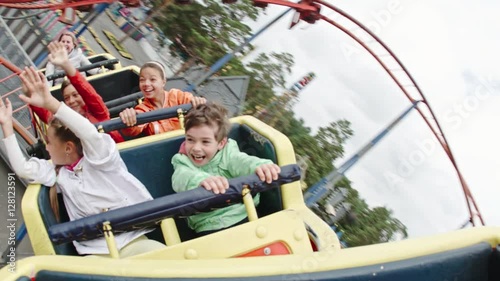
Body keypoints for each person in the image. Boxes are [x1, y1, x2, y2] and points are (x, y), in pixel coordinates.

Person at [0, 66, 164, 257]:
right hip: (96, 252)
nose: (46, 148)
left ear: (68, 148)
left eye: (49, 143)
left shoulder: (100, 158)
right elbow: (22, 168)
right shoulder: (58, 172)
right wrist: (7, 127)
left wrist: (52, 103)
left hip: (131, 239)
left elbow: (87, 131)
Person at [171, 102, 281, 236]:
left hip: (243, 215)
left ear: (221, 143)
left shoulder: (228, 153)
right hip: (208, 225)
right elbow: (181, 177)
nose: (196, 148)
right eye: (190, 140)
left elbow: (242, 162)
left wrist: (260, 166)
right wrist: (201, 180)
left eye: (205, 141)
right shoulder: (182, 160)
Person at [33, 41, 124, 143]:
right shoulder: (67, 121)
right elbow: (48, 116)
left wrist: (66, 65)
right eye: (67, 98)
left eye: (75, 95)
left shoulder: (98, 113)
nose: (71, 101)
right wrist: (32, 95)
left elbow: (89, 94)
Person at [119, 61, 206, 137]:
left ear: (163, 82)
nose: (146, 83)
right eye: (142, 80)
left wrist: (198, 103)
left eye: (152, 79)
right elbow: (132, 130)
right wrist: (129, 117)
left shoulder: (177, 96)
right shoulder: (143, 109)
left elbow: (199, 108)